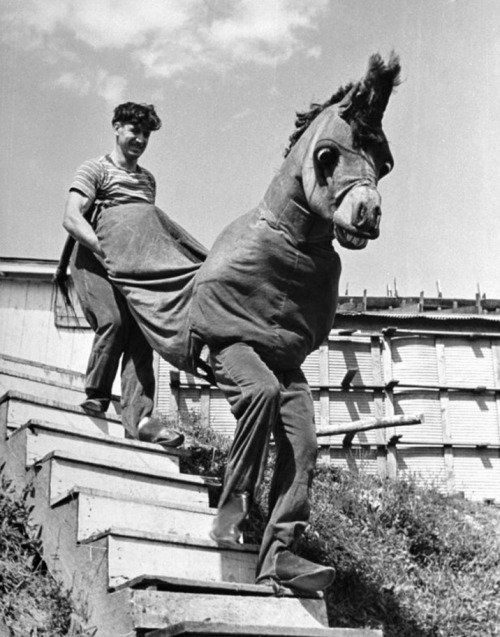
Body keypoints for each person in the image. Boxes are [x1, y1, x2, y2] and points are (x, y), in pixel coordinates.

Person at [62, 102, 183, 447]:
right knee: (114, 321)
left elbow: (142, 228)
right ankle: (97, 394)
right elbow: (72, 218)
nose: (140, 139)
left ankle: (141, 417)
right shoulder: (95, 169)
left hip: (132, 266)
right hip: (92, 259)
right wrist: (105, 250)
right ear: (117, 127)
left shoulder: (147, 181)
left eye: (146, 134)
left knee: (145, 332)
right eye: (134, 130)